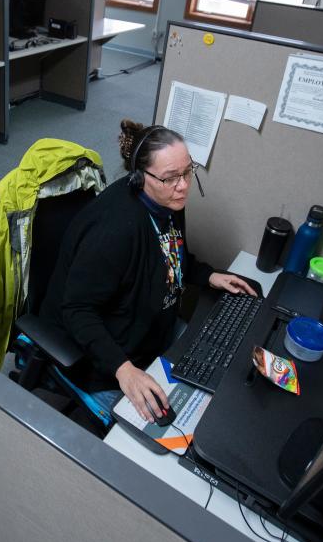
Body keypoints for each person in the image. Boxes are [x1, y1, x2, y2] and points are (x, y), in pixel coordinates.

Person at [40, 120, 255, 423]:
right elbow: (77, 309)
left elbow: (168, 255)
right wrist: (124, 370)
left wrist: (207, 274)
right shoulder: (113, 231)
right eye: (170, 178)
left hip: (149, 331)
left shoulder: (169, 202)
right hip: (101, 356)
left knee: (222, 371)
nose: (183, 186)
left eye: (187, 172)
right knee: (164, 429)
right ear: (141, 178)